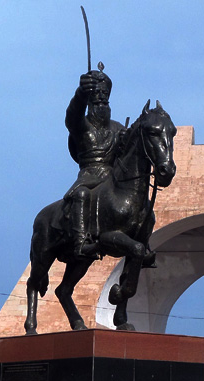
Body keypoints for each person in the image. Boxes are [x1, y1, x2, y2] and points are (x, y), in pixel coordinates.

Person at [63, 68, 126, 258]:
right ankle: (81, 242)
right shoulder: (82, 125)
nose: (101, 97)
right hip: (89, 175)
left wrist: (125, 141)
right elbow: (71, 117)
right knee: (82, 194)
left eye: (104, 94)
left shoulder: (118, 127)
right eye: (96, 93)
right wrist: (81, 94)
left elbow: (126, 157)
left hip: (112, 178)